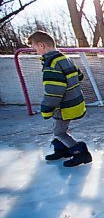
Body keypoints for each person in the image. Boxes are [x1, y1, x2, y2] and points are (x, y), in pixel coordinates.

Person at [27, 31, 92, 167]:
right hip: (75, 102)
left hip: (64, 107)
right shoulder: (65, 59)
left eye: (35, 49)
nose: (36, 52)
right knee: (59, 129)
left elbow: (54, 92)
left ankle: (80, 153)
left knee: (59, 132)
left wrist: (46, 109)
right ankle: (62, 149)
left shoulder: (52, 64)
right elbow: (79, 76)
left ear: (41, 45)